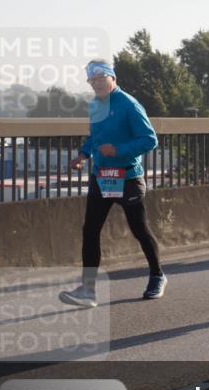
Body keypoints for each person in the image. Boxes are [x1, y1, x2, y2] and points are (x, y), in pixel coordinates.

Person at [59, 61, 164, 308]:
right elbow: (95, 138)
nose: (95, 84)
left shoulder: (128, 104)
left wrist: (119, 150)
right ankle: (87, 290)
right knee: (90, 230)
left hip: (127, 177)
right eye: (91, 81)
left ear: (112, 78)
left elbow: (150, 140)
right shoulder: (95, 104)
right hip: (101, 176)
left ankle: (157, 276)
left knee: (139, 229)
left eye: (99, 79)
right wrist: (84, 155)